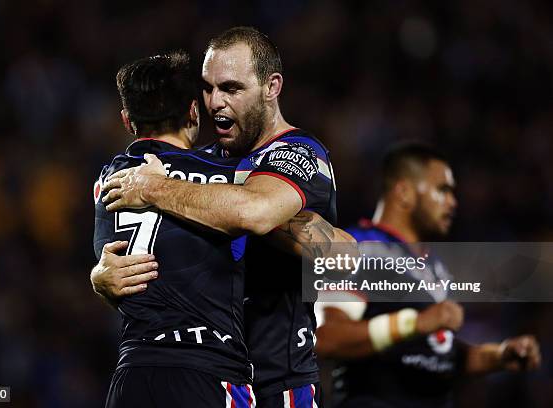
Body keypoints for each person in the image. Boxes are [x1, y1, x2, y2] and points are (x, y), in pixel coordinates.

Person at [100, 27, 337, 407]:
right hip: (208, 375)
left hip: (278, 381)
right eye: (208, 88)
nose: (215, 103)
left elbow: (257, 212)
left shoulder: (299, 154)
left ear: (271, 87)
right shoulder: (203, 164)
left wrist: (155, 190)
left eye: (231, 89)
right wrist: (101, 276)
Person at [313, 142, 541, 408]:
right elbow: (326, 337)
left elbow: (438, 352)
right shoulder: (358, 248)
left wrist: (499, 355)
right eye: (442, 190)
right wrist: (413, 324)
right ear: (404, 192)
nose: (453, 202)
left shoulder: (434, 265)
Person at [94, 51, 256, 408]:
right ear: (193, 111)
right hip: (210, 370)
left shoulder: (107, 181)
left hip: (132, 372)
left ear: (127, 120)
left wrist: (97, 278)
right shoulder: (233, 176)